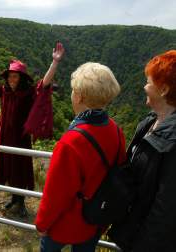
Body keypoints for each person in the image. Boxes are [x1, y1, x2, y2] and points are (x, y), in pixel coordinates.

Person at [35, 62, 126, 252]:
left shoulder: (70, 142)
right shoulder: (116, 131)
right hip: (95, 219)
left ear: (79, 96)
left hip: (64, 224)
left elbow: (55, 193)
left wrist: (42, 224)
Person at [0, 40, 65, 216]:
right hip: (5, 137)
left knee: (20, 170)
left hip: (20, 139)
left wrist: (55, 62)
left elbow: (44, 84)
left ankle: (21, 201)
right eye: (9, 76)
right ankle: (14, 199)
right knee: (9, 169)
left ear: (21, 78)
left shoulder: (29, 93)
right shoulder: (4, 91)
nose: (11, 79)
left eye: (15, 76)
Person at [108, 50, 176, 251]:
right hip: (132, 231)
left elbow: (165, 210)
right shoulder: (149, 122)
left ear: (163, 89)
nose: (144, 86)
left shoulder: (173, 140)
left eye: (148, 82)